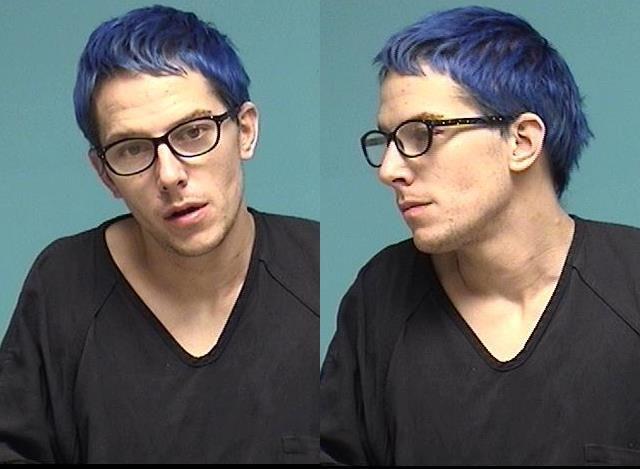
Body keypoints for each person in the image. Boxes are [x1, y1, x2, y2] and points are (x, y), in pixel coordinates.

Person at [321, 5, 640, 466]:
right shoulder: (380, 297)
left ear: (521, 141)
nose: (389, 170)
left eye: (421, 134)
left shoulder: (630, 285)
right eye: (387, 141)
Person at [0, 5, 318, 464]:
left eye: (193, 133)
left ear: (245, 131)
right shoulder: (62, 288)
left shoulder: (317, 271)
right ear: (105, 175)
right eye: (131, 149)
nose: (169, 175)